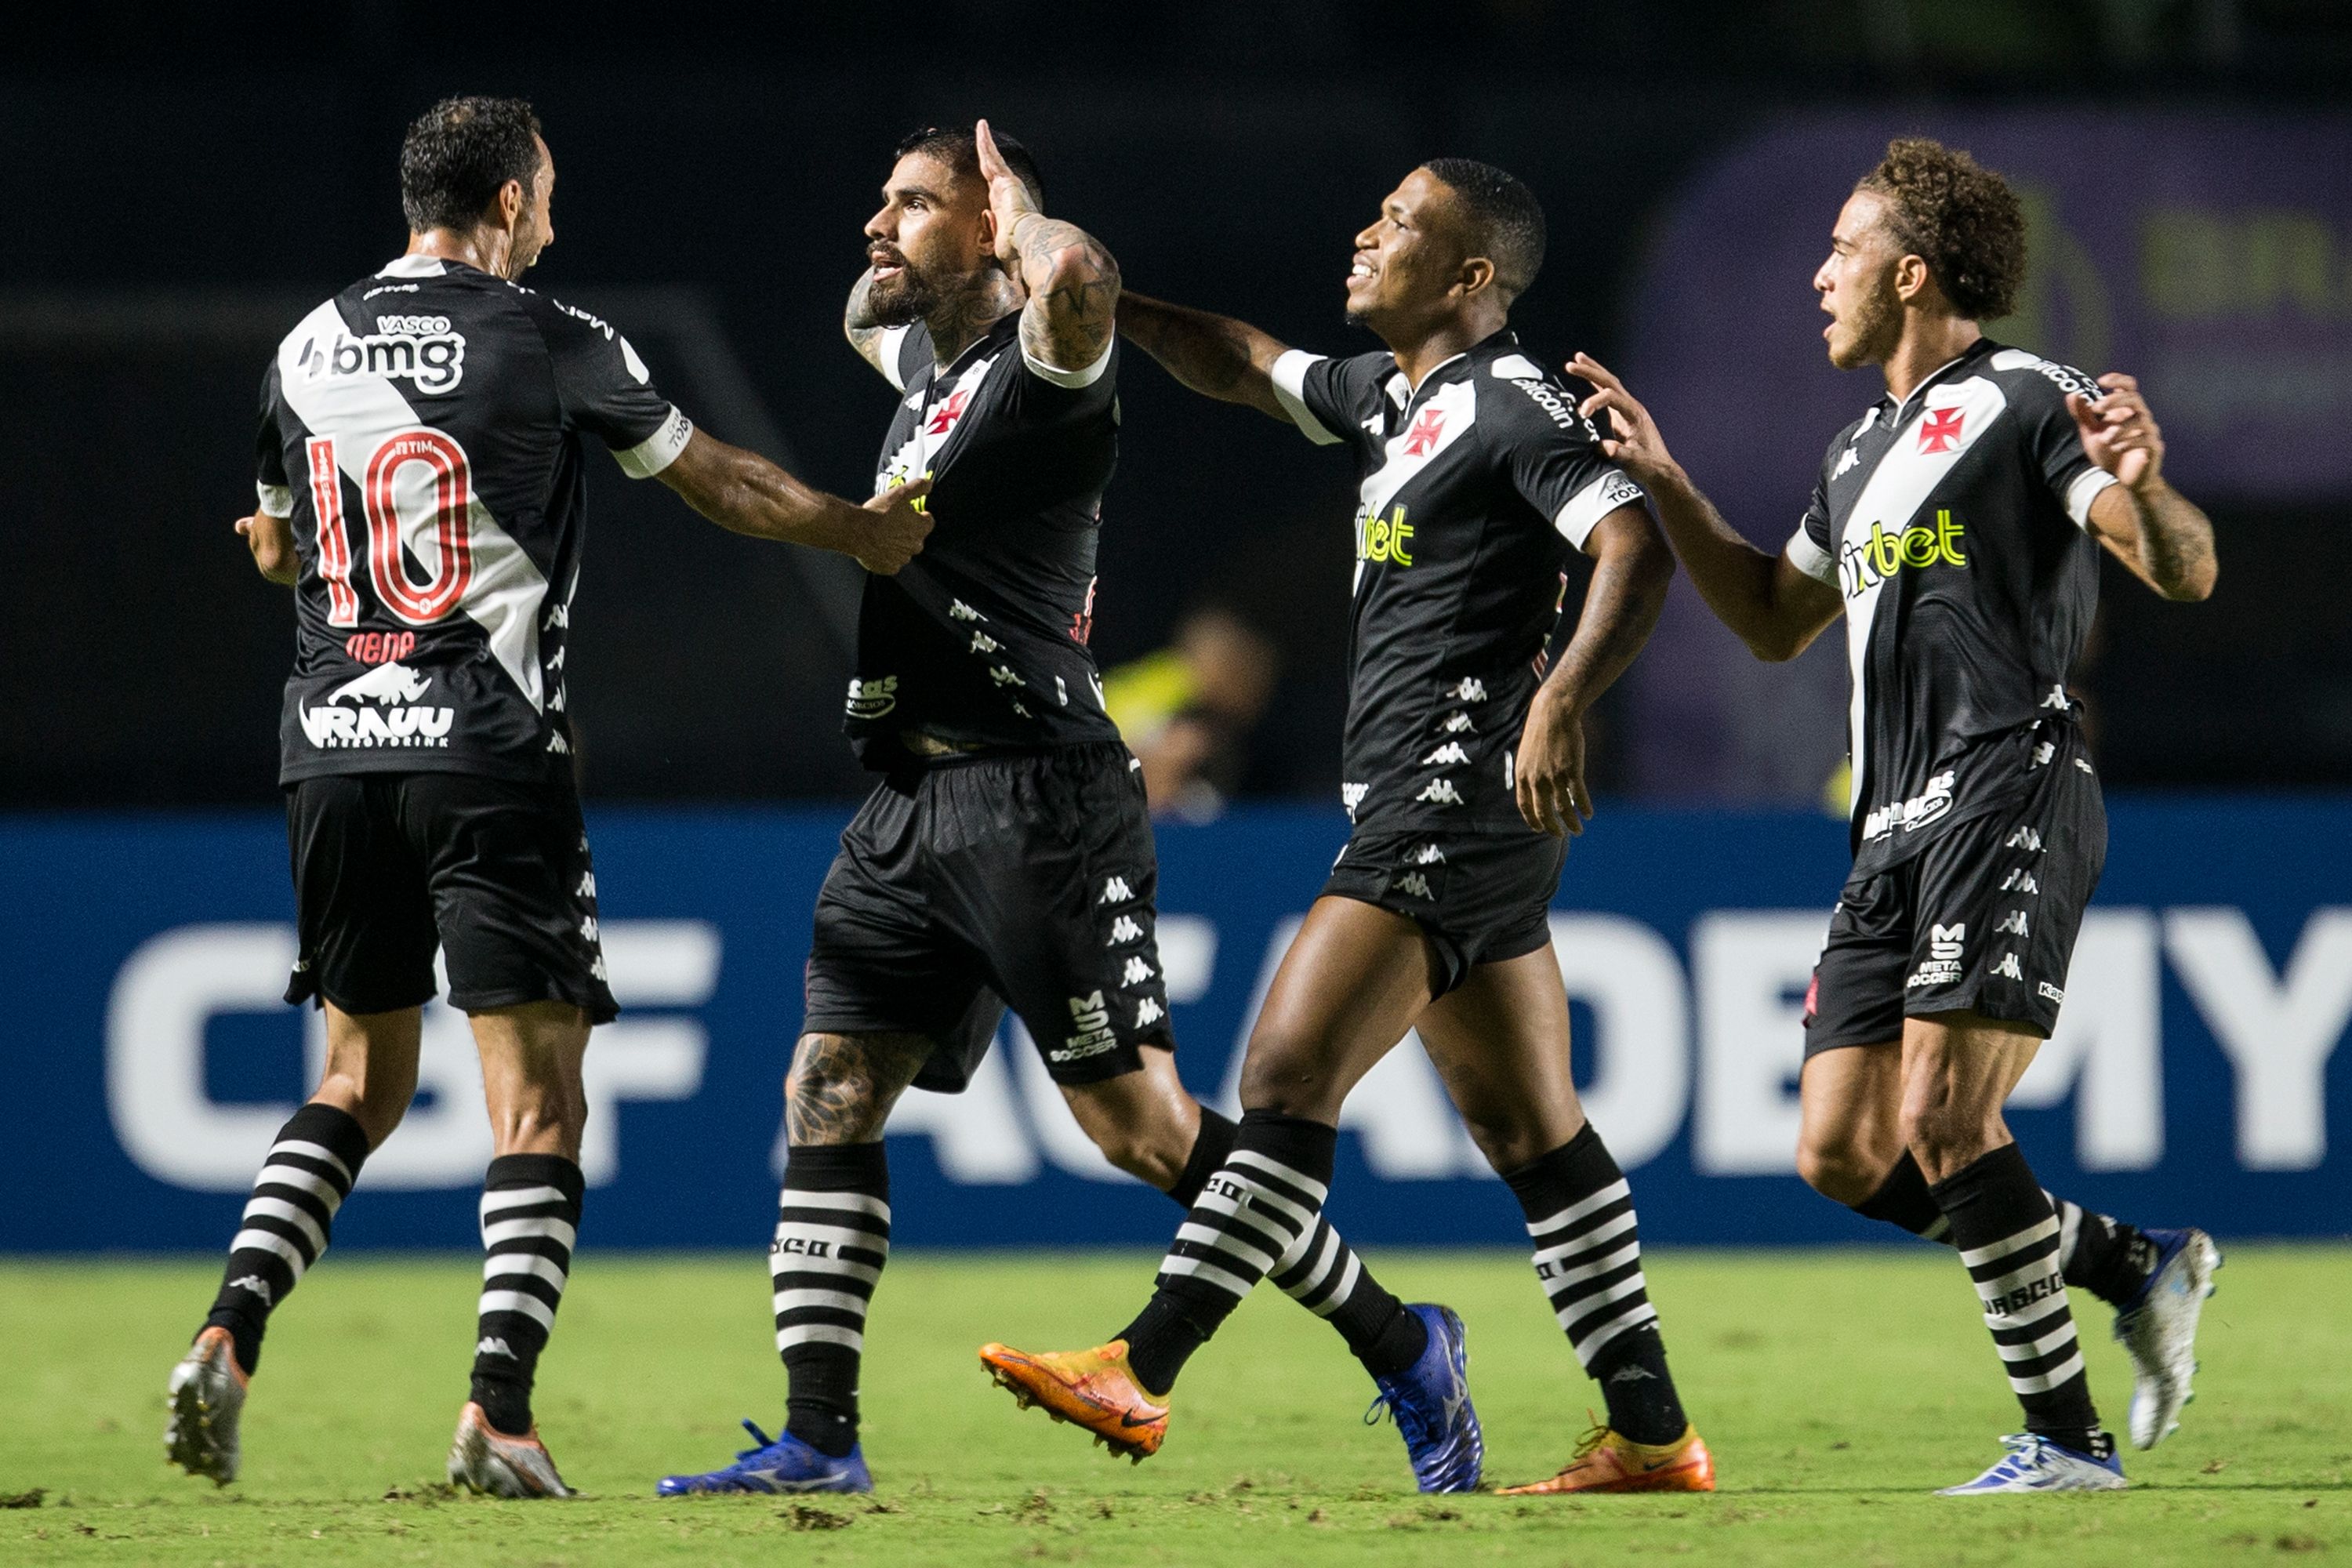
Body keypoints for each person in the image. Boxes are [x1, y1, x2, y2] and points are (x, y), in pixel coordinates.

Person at [653, 122, 1443, 1498]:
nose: (877, 223)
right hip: (908, 797)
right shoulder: (930, 372)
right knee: (830, 1086)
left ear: (990, 230)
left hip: (1040, 798)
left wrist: (1021, 217)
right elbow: (862, 310)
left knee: (1142, 1130)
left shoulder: (1051, 372)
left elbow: (1077, 282)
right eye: (882, 199)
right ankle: (819, 1438)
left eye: (912, 203)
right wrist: (929, 245)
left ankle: (1404, 1342)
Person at [165, 94, 932, 1500]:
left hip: (330, 748)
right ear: (509, 202)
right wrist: (856, 531)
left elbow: (278, 543)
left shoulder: (309, 342)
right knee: (538, 1109)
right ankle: (499, 1416)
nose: (555, 224)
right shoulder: (546, 333)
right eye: (550, 197)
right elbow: (718, 483)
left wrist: (300, 557)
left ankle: (229, 1328)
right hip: (486, 748)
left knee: (354, 1081)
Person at [982, 158, 1716, 1497]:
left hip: (1454, 799)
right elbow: (1246, 359)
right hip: (1446, 811)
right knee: (1534, 1133)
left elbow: (1636, 545)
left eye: (1401, 223)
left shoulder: (1511, 402)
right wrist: (1091, 299)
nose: (1367, 234)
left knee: (1284, 1076)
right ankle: (1655, 1434)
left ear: (1470, 275)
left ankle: (1144, 1365)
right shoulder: (1396, 399)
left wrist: (1560, 702)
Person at [1567, 138, 2220, 1494]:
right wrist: (1668, 481)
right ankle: (2130, 1264)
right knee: (1843, 1148)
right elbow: (1770, 619)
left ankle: (2067, 1444)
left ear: (1910, 272)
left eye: (1841, 249)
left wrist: (2150, 487)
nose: (1820, 276)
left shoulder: (2027, 399)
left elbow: (2179, 570)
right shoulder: (1858, 450)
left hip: (2006, 782)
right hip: (1889, 832)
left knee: (1941, 1114)